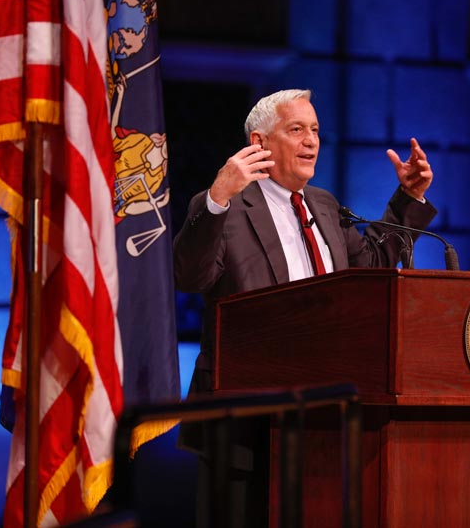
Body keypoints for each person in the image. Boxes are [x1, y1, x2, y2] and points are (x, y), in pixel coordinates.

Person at [172, 88, 437, 527]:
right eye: (296, 130)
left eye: (314, 130)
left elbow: (368, 266)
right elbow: (190, 276)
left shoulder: (324, 205)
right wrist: (216, 198)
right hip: (243, 426)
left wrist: (407, 199)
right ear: (259, 143)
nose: (311, 140)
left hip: (323, 424)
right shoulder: (229, 208)